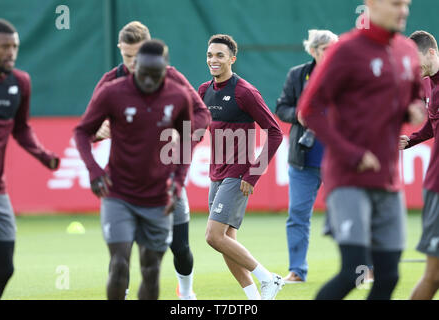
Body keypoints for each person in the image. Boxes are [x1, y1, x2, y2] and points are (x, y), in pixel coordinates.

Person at [298, 0, 425, 300]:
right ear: (371, 5)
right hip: (349, 178)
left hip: (389, 180)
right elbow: (308, 110)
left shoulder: (407, 51)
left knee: (390, 275)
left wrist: (413, 109)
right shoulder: (346, 50)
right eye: (396, 4)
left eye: (406, 4)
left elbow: (414, 99)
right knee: (354, 270)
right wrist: (352, 153)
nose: (403, 10)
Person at [91, 21, 211, 300]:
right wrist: (98, 132)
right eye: (127, 56)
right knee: (122, 254)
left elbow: (202, 115)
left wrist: (183, 142)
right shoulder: (111, 81)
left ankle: (185, 291)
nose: (132, 63)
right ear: (119, 49)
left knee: (180, 247)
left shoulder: (171, 77)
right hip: (124, 184)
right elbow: (88, 129)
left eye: (138, 55)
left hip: (165, 180)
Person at [74, 39, 193, 300]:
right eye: (144, 74)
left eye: (156, 75)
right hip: (119, 194)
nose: (149, 82)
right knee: (119, 264)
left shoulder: (178, 96)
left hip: (158, 197)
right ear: (134, 66)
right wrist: (94, 170)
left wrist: (178, 180)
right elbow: (82, 131)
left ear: (166, 68)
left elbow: (187, 138)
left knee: (151, 270)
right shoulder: (112, 92)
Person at [199, 34, 284, 300]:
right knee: (227, 242)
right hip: (217, 173)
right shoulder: (204, 90)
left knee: (214, 236)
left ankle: (268, 278)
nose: (214, 60)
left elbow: (275, 132)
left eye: (220, 55)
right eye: (210, 55)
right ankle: (255, 297)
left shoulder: (245, 92)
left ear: (232, 59)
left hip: (239, 173)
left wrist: (253, 173)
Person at [0, 19, 60, 300]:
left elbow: (20, 128)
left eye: (15, 47)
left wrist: (43, 155)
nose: (11, 52)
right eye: (4, 46)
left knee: (5, 267)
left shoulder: (20, 82)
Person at [276, 29, 338, 284]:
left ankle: (364, 267)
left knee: (351, 214)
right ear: (313, 51)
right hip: (304, 161)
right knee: (298, 216)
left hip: (339, 160)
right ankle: (297, 271)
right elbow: (281, 107)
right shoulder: (298, 74)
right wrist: (298, 116)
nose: (332, 53)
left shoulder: (347, 74)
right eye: (326, 49)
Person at [399, 30, 439, 300]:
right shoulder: (429, 85)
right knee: (434, 275)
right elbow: (432, 124)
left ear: (432, 52)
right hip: (437, 185)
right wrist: (411, 140)